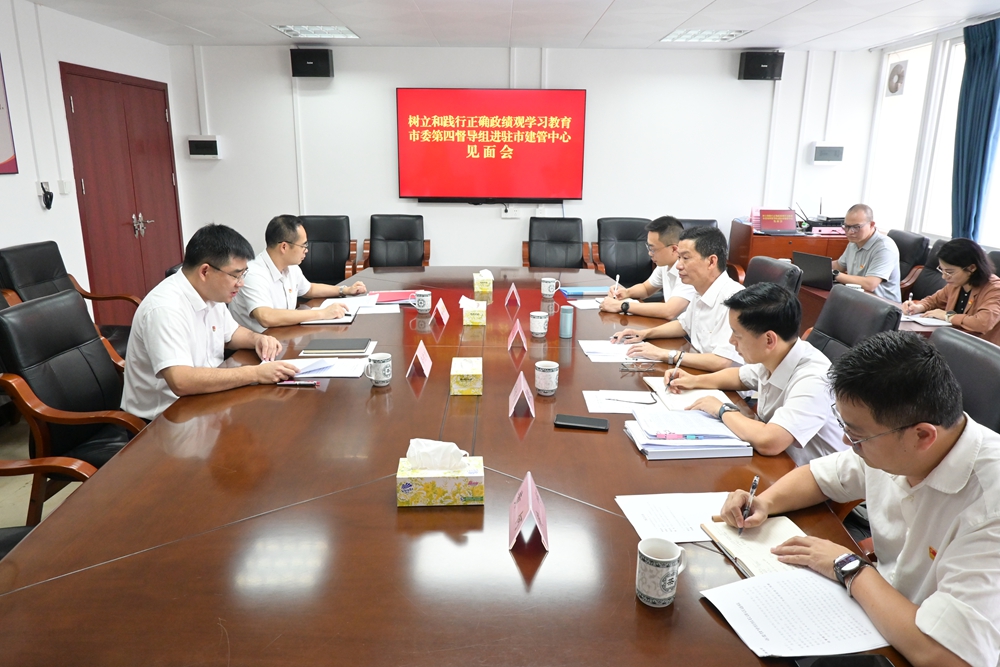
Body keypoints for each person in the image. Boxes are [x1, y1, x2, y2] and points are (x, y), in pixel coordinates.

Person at [716, 331, 1000, 667]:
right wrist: (765, 502)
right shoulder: (895, 444)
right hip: (876, 614)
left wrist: (849, 567)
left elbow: (950, 657)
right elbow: (821, 477)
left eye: (857, 435)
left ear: (923, 435)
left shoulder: (989, 504)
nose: (849, 443)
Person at [122, 224, 299, 421]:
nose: (241, 283)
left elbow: (231, 334)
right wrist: (255, 374)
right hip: (163, 420)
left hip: (205, 403)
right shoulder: (165, 308)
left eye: (243, 274)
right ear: (205, 271)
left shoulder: (212, 294)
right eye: (236, 275)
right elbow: (181, 381)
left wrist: (257, 339)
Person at [667, 283, 846, 465]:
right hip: (781, 463)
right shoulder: (778, 354)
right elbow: (739, 377)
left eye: (738, 335)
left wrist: (722, 409)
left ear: (769, 339)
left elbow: (771, 442)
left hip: (816, 480)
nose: (731, 341)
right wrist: (693, 380)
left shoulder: (814, 379)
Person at [610, 226, 744, 371]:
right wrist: (644, 334)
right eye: (679, 257)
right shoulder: (701, 290)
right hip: (699, 373)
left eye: (685, 258)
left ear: (711, 262)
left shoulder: (733, 299)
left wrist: (664, 354)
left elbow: (721, 362)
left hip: (727, 388)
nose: (679, 265)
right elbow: (684, 325)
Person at [229, 214, 368, 333]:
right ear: (284, 247)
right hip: (250, 350)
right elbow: (266, 317)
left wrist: (345, 290)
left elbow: (309, 289)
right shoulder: (253, 274)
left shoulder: (291, 267)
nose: (306, 250)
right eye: (303, 245)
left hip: (281, 337)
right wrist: (322, 313)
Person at [902, 238, 1000, 346]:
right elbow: (934, 300)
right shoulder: (957, 283)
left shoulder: (995, 289)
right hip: (954, 341)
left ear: (972, 268)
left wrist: (948, 316)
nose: (944, 276)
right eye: (942, 270)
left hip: (981, 349)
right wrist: (918, 307)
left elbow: (983, 323)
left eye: (949, 272)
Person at [599, 216, 696, 320]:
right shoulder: (665, 264)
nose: (650, 253)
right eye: (648, 248)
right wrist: (626, 292)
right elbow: (646, 289)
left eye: (653, 249)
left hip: (688, 334)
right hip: (674, 327)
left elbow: (669, 311)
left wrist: (621, 306)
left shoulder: (689, 270)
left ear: (674, 249)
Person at [831, 203, 901, 301]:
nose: (850, 232)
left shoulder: (885, 247)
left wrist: (835, 274)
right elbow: (839, 265)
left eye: (856, 227)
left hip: (882, 306)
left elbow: (870, 284)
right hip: (858, 299)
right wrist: (818, 267)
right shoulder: (854, 242)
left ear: (871, 225)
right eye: (846, 226)